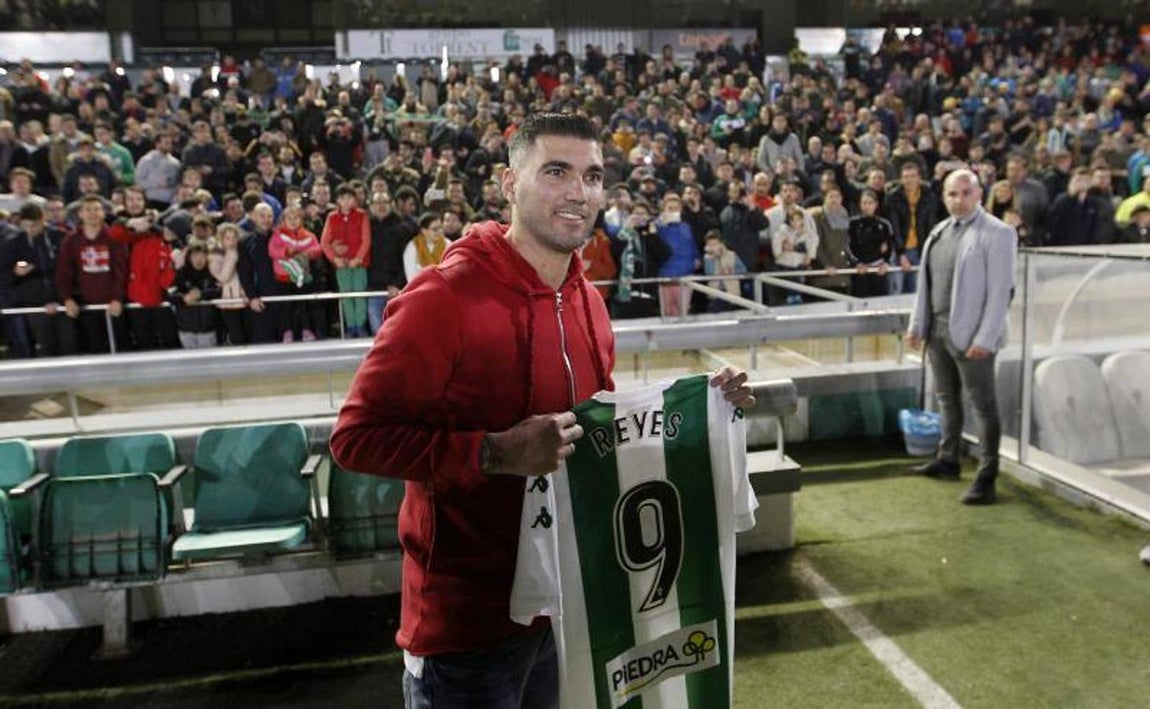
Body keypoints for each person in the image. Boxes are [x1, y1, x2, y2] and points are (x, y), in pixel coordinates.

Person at [329, 112, 754, 708]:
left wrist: (701, 408)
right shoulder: (442, 298)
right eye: (556, 171)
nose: (578, 192)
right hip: (465, 631)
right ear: (509, 183)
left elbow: (600, 428)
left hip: (566, 609)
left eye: (593, 176)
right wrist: (494, 452)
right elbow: (355, 439)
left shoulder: (586, 300)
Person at [907, 169, 1016, 506]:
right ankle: (949, 459)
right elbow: (924, 285)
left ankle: (987, 478)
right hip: (938, 332)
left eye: (966, 193)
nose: (959, 200)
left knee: (983, 406)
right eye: (953, 194)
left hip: (973, 337)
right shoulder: (939, 232)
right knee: (946, 398)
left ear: (979, 194)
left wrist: (985, 337)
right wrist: (916, 325)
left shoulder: (998, 233)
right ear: (944, 196)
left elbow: (1002, 294)